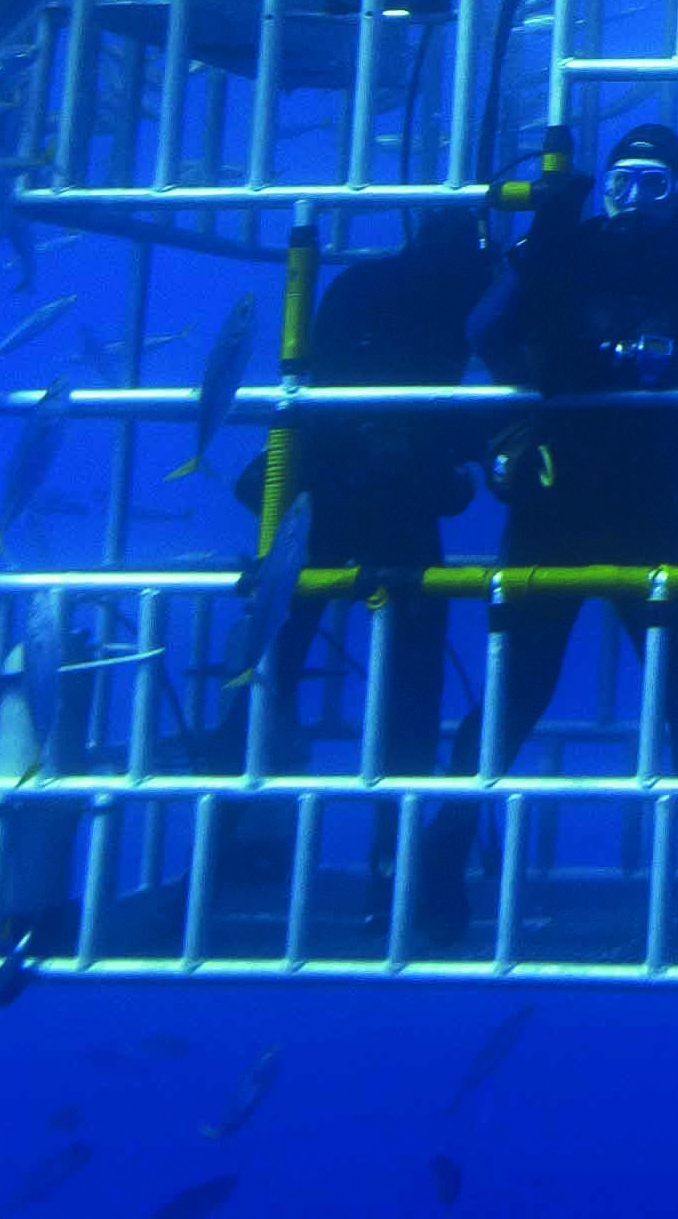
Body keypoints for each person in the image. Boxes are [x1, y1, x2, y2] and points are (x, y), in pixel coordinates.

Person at [413, 125, 678, 948]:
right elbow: (485, 332)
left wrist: (661, 361)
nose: (630, 200)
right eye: (620, 181)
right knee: (514, 696)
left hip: (652, 504)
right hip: (552, 501)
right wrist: (539, 240)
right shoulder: (563, 250)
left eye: (650, 184)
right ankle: (440, 859)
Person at [231, 212, 491, 920]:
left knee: (277, 669)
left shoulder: (371, 285)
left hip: (345, 495)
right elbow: (475, 418)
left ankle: (244, 835)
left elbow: (323, 385)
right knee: (393, 688)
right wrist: (443, 457)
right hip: (354, 498)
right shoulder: (473, 290)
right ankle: (388, 866)